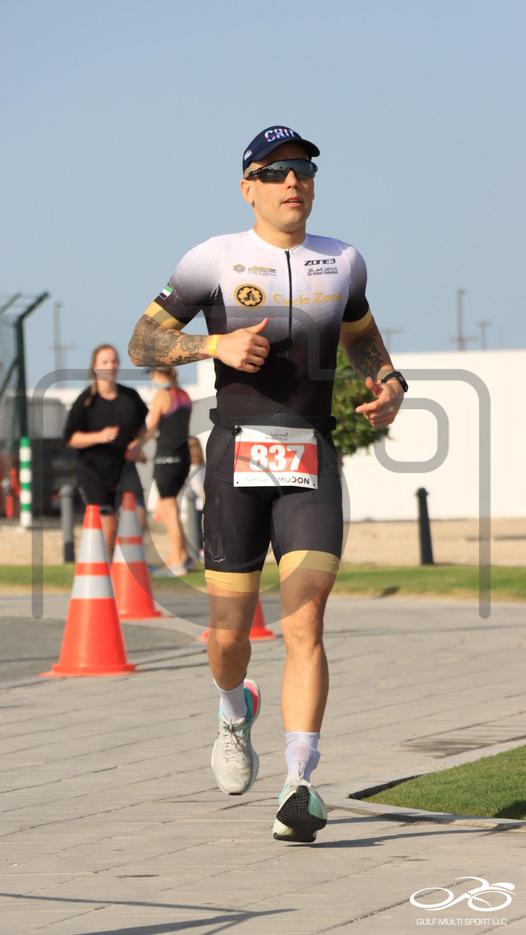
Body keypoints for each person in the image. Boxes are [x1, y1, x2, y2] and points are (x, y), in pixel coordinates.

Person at [128, 125, 407, 843]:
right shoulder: (214, 258)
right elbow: (144, 339)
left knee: (306, 621)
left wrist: (388, 380)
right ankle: (233, 708)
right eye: (277, 171)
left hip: (311, 455)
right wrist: (213, 343)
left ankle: (299, 782)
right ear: (247, 186)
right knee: (228, 635)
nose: (294, 181)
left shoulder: (342, 261)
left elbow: (362, 336)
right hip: (236, 457)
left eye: (304, 169)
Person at [64, 344, 148, 556]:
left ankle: (129, 568)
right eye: (105, 362)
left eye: (114, 361)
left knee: (138, 518)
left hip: (124, 469)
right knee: (108, 529)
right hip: (93, 471)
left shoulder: (130, 396)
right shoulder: (86, 400)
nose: (110, 366)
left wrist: (138, 444)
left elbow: (144, 428)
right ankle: (107, 570)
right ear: (94, 367)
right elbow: (71, 439)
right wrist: (100, 436)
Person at [131, 367, 193, 575]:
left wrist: (135, 446)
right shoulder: (184, 395)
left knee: (168, 509)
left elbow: (151, 429)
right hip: (183, 458)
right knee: (167, 506)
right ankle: (183, 556)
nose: (151, 378)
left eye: (151, 374)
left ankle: (177, 562)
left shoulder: (162, 395)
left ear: (157, 373)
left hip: (166, 458)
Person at [188, 435, 205, 556]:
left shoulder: (193, 467)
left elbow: (198, 487)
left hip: (198, 503)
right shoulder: (203, 466)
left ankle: (201, 550)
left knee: (198, 529)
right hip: (202, 502)